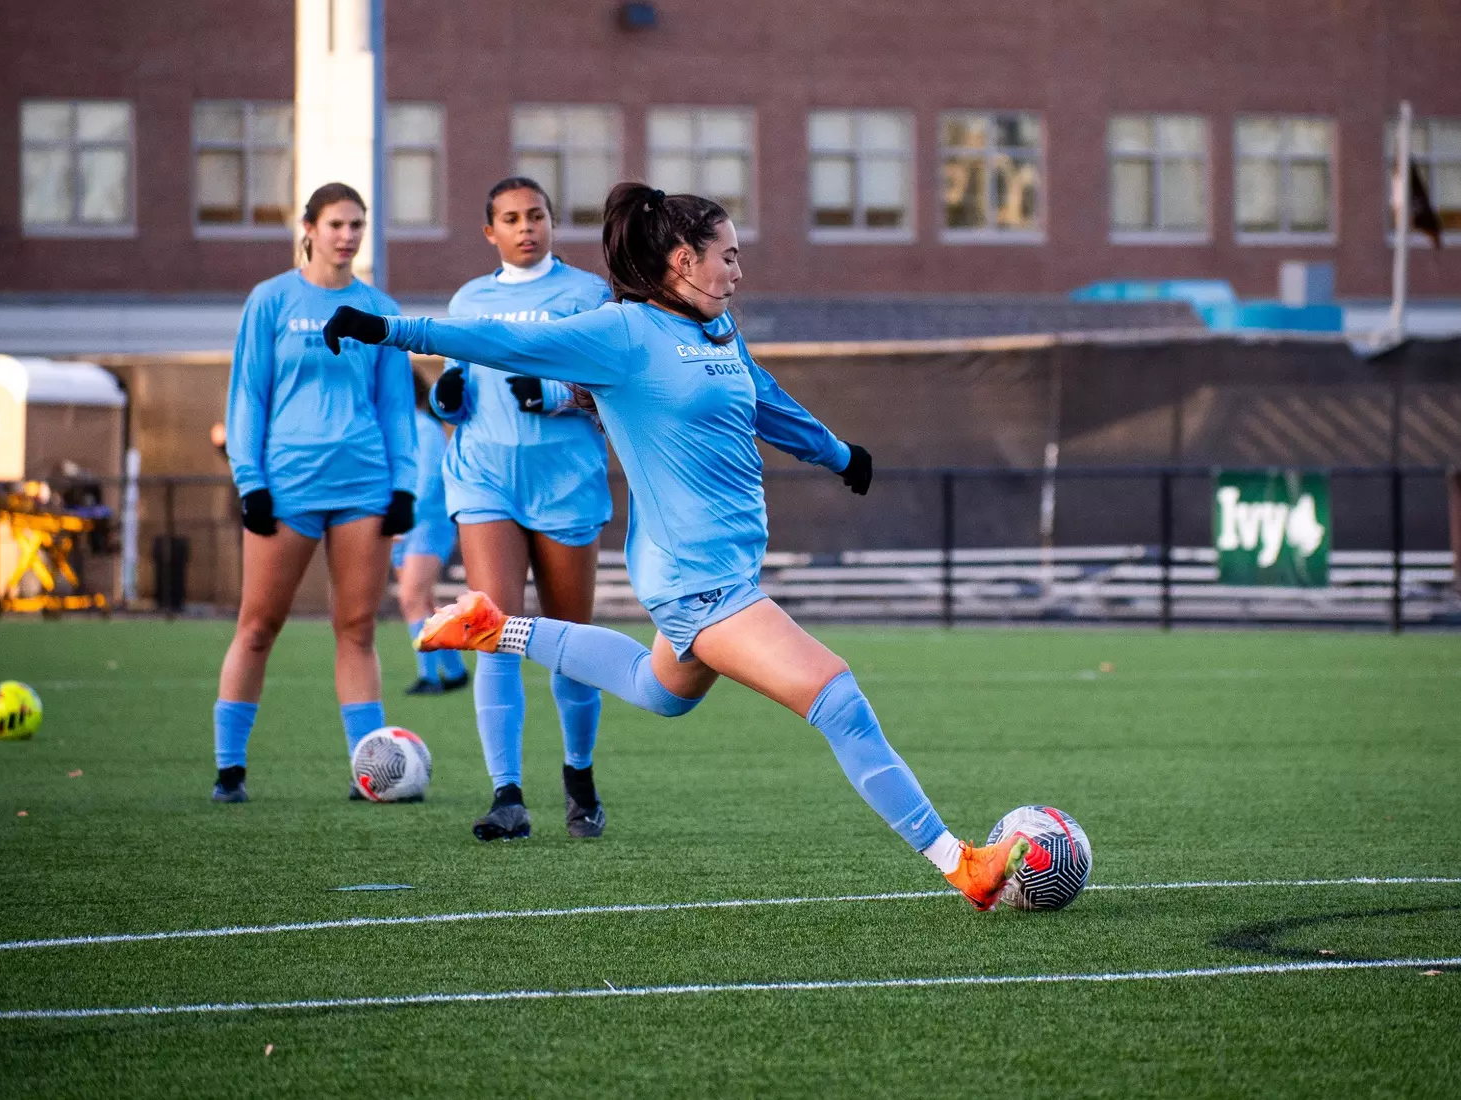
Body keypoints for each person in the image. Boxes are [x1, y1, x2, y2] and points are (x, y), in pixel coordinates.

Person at [322, 183, 1039, 910]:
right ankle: (963, 865)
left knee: (658, 691)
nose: (738, 272)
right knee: (838, 699)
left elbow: (762, 397)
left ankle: (493, 628)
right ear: (681, 261)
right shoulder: (624, 333)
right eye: (727, 257)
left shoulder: (720, 329)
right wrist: (387, 330)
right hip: (696, 578)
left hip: (723, 568)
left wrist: (836, 453)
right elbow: (500, 342)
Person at [213, 181, 418, 803]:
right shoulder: (271, 301)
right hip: (287, 487)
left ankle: (369, 772)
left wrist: (404, 485)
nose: (347, 235)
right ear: (308, 228)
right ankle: (230, 771)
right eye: (336, 224)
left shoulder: (379, 307)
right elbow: (247, 394)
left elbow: (395, 407)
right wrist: (250, 480)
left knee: (356, 627)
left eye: (357, 224)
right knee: (258, 626)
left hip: (365, 485)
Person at [433, 176, 616, 841]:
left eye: (535, 215)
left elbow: (613, 387)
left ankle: (580, 778)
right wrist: (447, 402)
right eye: (509, 218)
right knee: (493, 631)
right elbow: (459, 402)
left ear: (551, 222)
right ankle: (507, 795)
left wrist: (562, 394)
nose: (524, 227)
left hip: (565, 484)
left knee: (573, 644)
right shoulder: (469, 300)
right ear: (490, 232)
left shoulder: (588, 296)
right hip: (485, 480)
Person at [394, 371, 468, 696]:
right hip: (402, 524)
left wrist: (402, 517)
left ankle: (429, 676)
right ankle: (453, 671)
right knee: (420, 601)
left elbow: (427, 482)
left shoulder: (424, 428)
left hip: (426, 523)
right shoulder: (397, 429)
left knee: (411, 598)